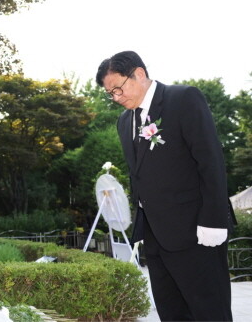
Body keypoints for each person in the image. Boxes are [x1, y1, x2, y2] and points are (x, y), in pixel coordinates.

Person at [96, 50, 235, 321]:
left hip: (198, 232)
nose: (115, 97)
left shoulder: (183, 99)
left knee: (210, 312)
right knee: (172, 313)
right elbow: (140, 176)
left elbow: (211, 162)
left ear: (139, 73)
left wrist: (214, 222)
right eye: (110, 93)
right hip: (156, 237)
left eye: (117, 88)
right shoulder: (124, 121)